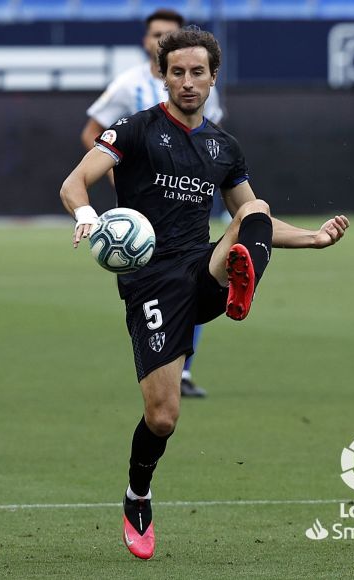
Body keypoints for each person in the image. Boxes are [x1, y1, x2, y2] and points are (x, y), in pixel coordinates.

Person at [59, 28, 349, 560]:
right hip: (150, 280)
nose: (187, 83)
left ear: (214, 77)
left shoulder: (223, 146)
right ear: (161, 75)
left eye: (198, 73)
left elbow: (252, 216)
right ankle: (137, 492)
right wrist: (85, 215)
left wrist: (310, 238)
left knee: (253, 210)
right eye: (177, 73)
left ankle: (243, 284)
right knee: (162, 417)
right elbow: (75, 182)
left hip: (204, 269)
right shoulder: (137, 130)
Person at [80, 8, 223, 398]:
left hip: (188, 187)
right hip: (142, 204)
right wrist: (116, 173)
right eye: (156, 34)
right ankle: (164, 361)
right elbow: (93, 130)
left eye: (170, 33)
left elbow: (210, 130)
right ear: (146, 42)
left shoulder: (197, 81)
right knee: (161, 275)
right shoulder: (128, 85)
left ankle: (184, 368)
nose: (162, 39)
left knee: (194, 267)